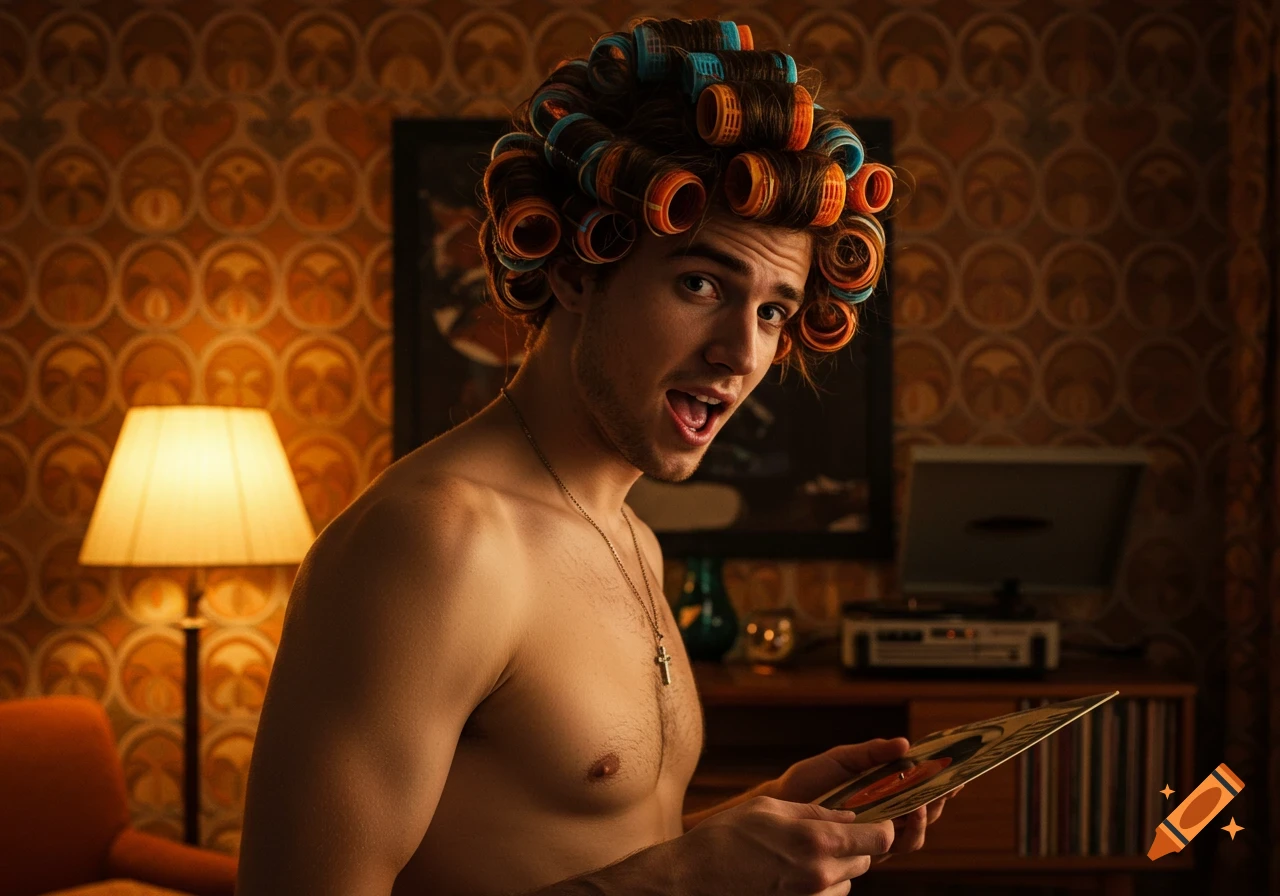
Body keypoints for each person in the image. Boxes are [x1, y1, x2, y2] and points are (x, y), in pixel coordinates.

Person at [237, 16, 960, 896]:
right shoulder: (435, 542)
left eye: (773, 310)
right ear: (579, 269)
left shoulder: (629, 536)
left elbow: (589, 855)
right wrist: (686, 878)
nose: (742, 352)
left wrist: (758, 823)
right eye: (701, 283)